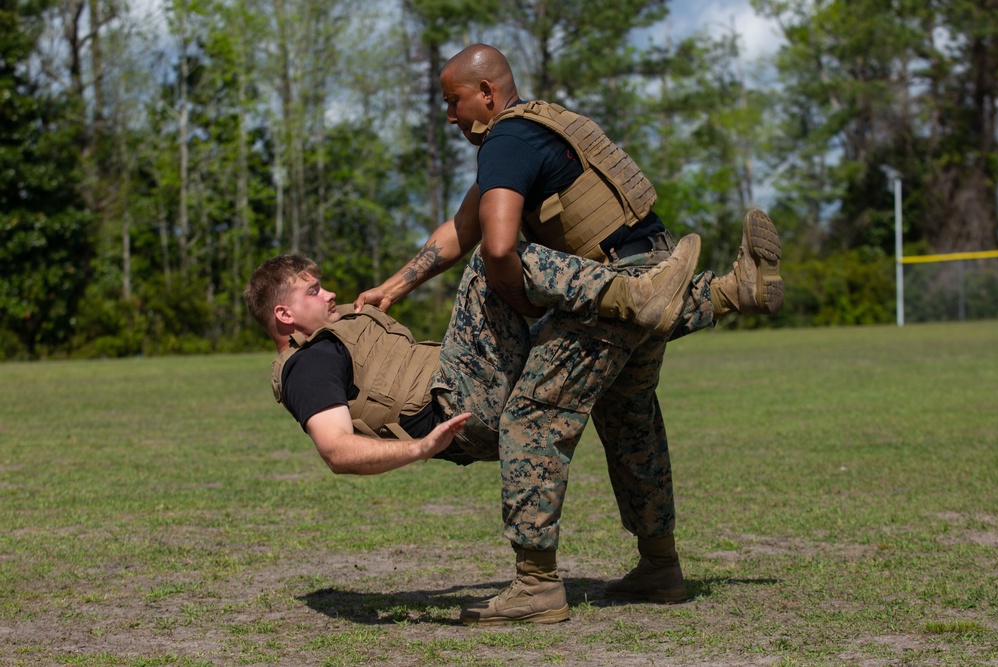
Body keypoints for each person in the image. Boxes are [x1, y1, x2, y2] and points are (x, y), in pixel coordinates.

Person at [353, 43, 784, 626]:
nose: (449, 117)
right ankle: (659, 565)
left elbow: (497, 244)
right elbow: (461, 227)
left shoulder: (505, 139)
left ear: (486, 93)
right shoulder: (545, 125)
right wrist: (394, 286)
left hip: (606, 290)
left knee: (531, 416)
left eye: (452, 102)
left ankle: (535, 584)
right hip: (654, 266)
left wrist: (520, 301)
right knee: (629, 418)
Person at [243, 236, 700, 479]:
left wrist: (393, 287)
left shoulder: (341, 325)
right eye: (313, 290)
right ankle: (635, 291)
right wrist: (420, 449)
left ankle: (727, 294)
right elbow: (336, 450)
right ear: (283, 314)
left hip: (474, 387)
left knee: (589, 325)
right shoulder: (309, 364)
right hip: (458, 406)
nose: (330, 293)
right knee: (491, 257)